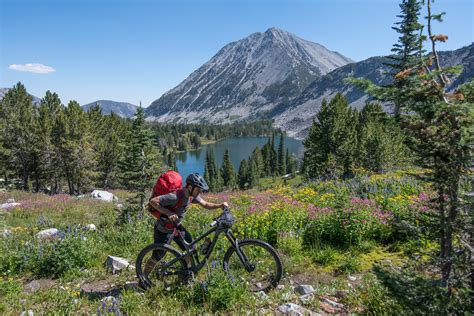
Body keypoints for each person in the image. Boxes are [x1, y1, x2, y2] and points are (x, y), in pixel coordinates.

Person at [144, 172, 228, 275]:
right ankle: (143, 278)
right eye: (198, 189)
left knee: (191, 248)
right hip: (164, 229)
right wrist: (169, 213)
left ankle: (183, 273)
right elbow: (153, 201)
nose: (200, 191)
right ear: (189, 187)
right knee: (157, 256)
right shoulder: (175, 196)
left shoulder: (192, 196)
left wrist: (220, 205)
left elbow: (206, 204)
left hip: (176, 228)